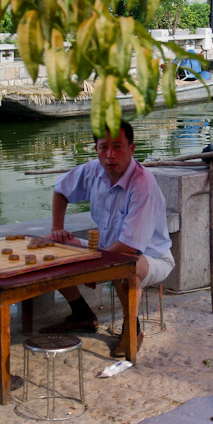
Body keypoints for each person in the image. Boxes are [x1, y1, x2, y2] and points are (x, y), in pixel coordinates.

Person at [43, 120, 175, 358]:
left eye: (118, 147)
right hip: (105, 251)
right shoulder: (94, 169)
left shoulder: (142, 184)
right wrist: (57, 229)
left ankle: (131, 329)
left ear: (132, 148)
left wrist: (95, 267)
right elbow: (61, 190)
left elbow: (130, 246)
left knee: (126, 266)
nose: (110, 155)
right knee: (53, 246)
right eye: (104, 147)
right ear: (96, 149)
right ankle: (81, 313)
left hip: (150, 257)